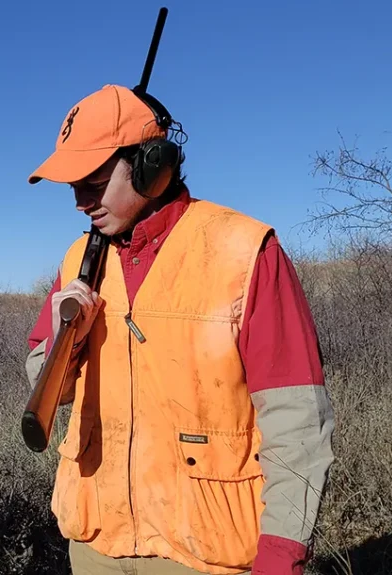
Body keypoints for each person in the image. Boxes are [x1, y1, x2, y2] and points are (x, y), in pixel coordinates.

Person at [24, 83, 335, 575]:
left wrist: (280, 555)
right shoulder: (76, 263)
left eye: (93, 180)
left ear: (153, 166)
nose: (80, 202)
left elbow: (297, 424)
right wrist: (70, 338)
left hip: (206, 554)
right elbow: (47, 395)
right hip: (95, 544)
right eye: (72, 186)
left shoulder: (245, 252)